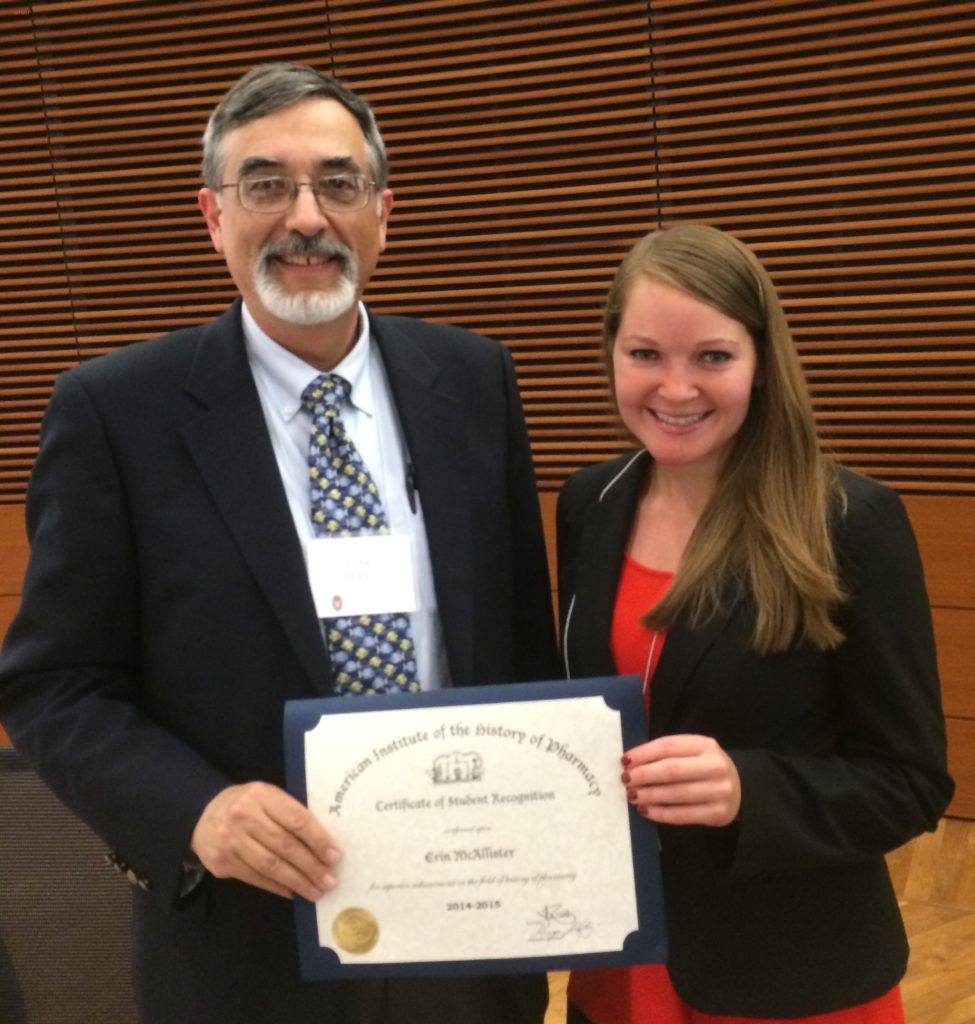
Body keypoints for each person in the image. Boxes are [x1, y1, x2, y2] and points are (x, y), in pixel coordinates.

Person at [0, 62, 558, 1024]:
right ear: (213, 214)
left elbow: (519, 641)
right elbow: (53, 685)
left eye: (337, 183)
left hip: (468, 923)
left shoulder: (472, 381)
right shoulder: (115, 413)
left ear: (382, 213)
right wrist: (196, 812)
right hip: (248, 948)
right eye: (266, 185)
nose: (306, 217)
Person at [556, 224, 954, 1024]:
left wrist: (749, 789)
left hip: (787, 971)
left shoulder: (848, 522)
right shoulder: (587, 504)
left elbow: (910, 784)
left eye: (712, 356)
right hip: (621, 951)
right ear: (611, 356)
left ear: (762, 362)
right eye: (645, 354)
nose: (676, 389)